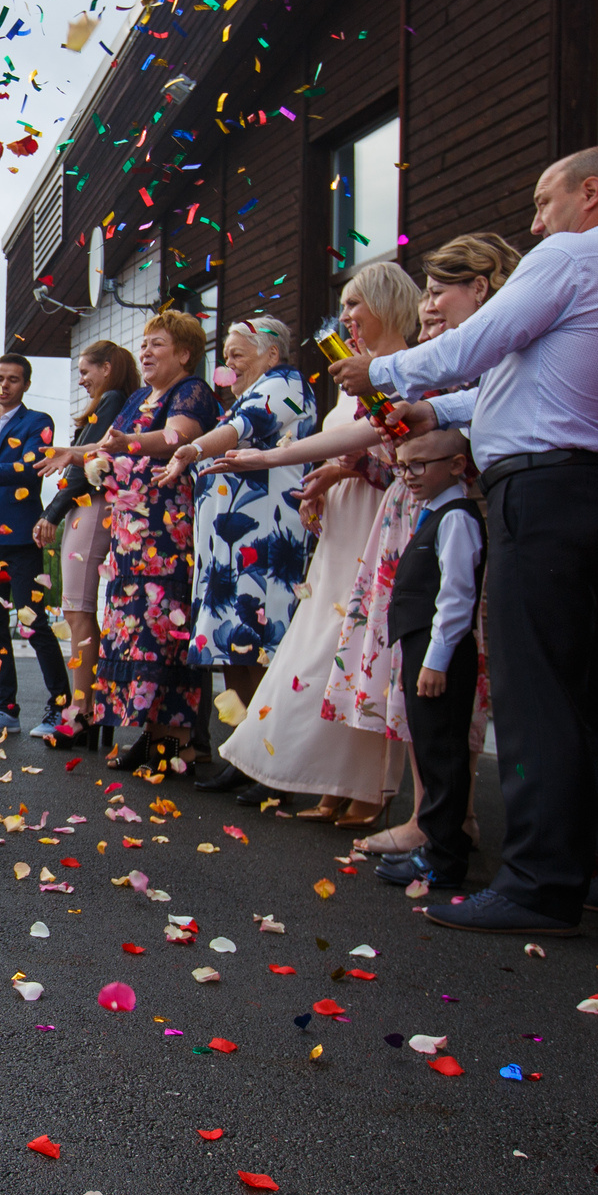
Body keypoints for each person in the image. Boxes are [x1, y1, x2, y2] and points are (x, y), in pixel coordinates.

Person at [328, 149, 598, 935]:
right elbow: (542, 387)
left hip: (543, 496)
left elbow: (470, 347)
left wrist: (383, 373)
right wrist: (442, 416)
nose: (536, 221)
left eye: (545, 200)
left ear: (591, 194)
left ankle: (538, 880)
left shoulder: (569, 253)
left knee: (534, 690)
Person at [210, 262, 420, 823]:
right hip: (340, 526)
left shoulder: (403, 373)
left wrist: (342, 471)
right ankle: (330, 778)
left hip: (379, 522)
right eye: (344, 305)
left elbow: (396, 449)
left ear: (387, 302)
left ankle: (368, 786)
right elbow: (338, 445)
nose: (346, 315)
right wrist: (319, 487)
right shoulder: (349, 376)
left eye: (355, 304)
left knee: (357, 649)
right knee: (321, 651)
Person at [40, 310, 219, 774]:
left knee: (163, 626)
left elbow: (175, 437)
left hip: (165, 530)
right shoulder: (139, 395)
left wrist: (121, 446)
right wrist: (74, 452)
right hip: (128, 532)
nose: (146, 352)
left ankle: (177, 741)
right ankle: (152, 732)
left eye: (157, 344)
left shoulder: (192, 391)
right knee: (134, 629)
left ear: (184, 353)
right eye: (144, 344)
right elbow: (108, 443)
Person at [155, 316, 316, 788]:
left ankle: (275, 762)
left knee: (260, 649)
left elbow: (251, 427)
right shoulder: (245, 393)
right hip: (229, 549)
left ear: (271, 353)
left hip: (264, 544)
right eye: (225, 352)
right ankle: (248, 753)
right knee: (235, 649)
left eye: (238, 351)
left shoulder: (287, 384)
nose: (228, 360)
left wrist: (194, 448)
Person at [371, 429, 487, 890]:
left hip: (442, 653)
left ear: (458, 465)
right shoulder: (433, 514)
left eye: (420, 464)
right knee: (431, 746)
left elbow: (457, 597)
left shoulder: (457, 518)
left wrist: (437, 661)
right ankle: (435, 846)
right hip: (423, 648)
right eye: (403, 466)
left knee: (443, 752)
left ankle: (443, 854)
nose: (409, 475)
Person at [33, 339, 141, 750]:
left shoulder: (111, 399)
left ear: (108, 367)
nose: (81, 380)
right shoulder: (119, 399)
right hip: (93, 506)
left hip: (91, 507)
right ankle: (87, 709)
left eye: (85, 371)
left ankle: (81, 712)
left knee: (79, 610)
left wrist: (52, 512)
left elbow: (86, 466)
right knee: (82, 611)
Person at [0, 355, 67, 738]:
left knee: (34, 623)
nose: (4, 386)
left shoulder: (38, 423)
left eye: (13, 380)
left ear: (26, 384)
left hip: (21, 537)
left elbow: (30, 467)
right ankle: (6, 709)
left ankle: (59, 709)